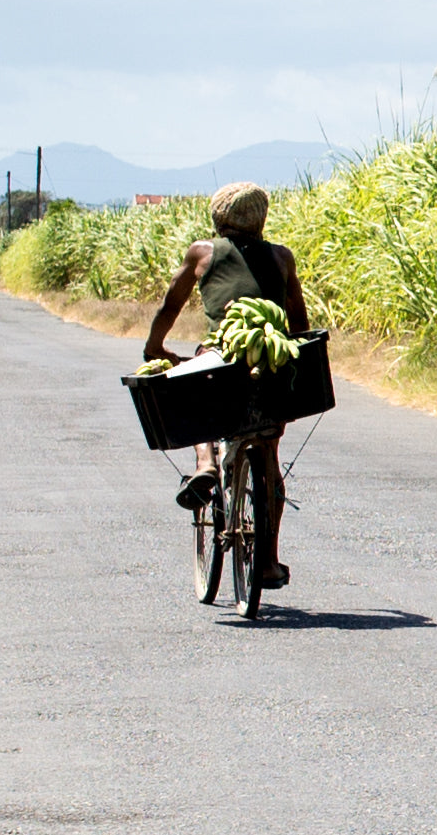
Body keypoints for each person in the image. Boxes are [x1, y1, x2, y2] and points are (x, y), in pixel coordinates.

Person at [142, 181, 309, 588]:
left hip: (221, 355)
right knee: (268, 458)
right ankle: (267, 562)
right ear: (261, 219)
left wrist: (155, 347)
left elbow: (170, 303)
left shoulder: (203, 253)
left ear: (219, 218)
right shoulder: (281, 257)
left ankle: (205, 464)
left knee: (197, 388)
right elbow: (301, 325)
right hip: (268, 362)